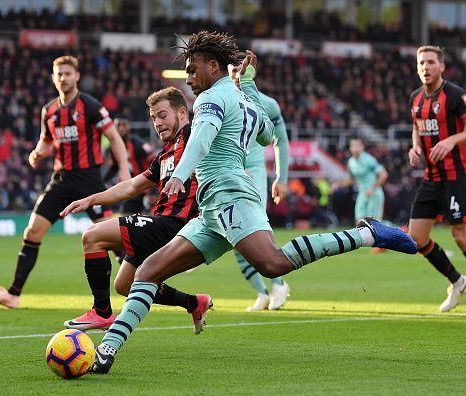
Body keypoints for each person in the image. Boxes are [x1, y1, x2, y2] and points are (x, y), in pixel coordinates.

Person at [91, 31, 416, 374]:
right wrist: (247, 85)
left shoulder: (208, 100)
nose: (188, 77)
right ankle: (108, 349)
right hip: (211, 206)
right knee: (148, 271)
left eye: (192, 68)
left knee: (273, 264)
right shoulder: (241, 97)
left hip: (230, 194)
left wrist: (179, 173)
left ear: (212, 66)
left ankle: (368, 234)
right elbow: (265, 134)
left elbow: (200, 141)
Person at [0, 55, 130, 309]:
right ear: (53, 78)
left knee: (111, 237)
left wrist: (124, 170)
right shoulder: (48, 111)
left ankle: (144, 282)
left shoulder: (91, 106)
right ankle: (13, 294)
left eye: (68, 73)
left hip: (89, 180)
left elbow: (114, 137)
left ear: (77, 76)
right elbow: (47, 142)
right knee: (32, 231)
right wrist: (37, 153)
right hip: (61, 180)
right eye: (59, 74)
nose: (63, 78)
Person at [60, 86, 212, 333]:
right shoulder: (164, 155)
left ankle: (101, 312)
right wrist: (91, 200)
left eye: (163, 115)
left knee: (92, 236)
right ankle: (194, 303)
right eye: (153, 118)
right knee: (125, 284)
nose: (157, 123)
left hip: (178, 225)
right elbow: (132, 186)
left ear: (182, 112)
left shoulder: (195, 137)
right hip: (161, 223)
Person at [407, 46, 466, 316]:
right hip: (432, 177)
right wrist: (415, 148)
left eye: (430, 62)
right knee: (415, 239)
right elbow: (417, 128)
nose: (425, 67)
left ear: (442, 66)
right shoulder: (415, 98)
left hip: (457, 176)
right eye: (421, 63)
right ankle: (458, 282)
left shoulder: (455, 95)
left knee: (462, 238)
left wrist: (451, 140)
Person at [228, 58, 291, 311]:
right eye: (233, 70)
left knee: (252, 233)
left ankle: (278, 283)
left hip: (253, 172)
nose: (236, 75)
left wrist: (281, 178)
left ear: (250, 72)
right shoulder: (221, 101)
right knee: (233, 236)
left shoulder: (267, 104)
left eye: (240, 70)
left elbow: (281, 141)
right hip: (228, 172)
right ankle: (262, 292)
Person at [331, 137, 389, 252]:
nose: (355, 148)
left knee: (375, 221)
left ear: (362, 147)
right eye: (353, 146)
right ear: (350, 148)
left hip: (374, 192)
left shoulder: (369, 160)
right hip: (363, 193)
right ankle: (384, 237)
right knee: (359, 221)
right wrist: (338, 184)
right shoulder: (351, 162)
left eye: (358, 145)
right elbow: (351, 179)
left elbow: (383, 174)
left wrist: (373, 188)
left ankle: (385, 242)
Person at [104, 116, 154, 215]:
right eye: (118, 125)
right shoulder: (112, 148)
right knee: (125, 216)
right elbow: (115, 166)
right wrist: (103, 181)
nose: (121, 128)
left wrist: (153, 190)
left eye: (124, 125)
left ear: (129, 127)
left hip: (146, 186)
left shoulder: (138, 144)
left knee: (153, 217)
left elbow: (154, 159)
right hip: (131, 188)